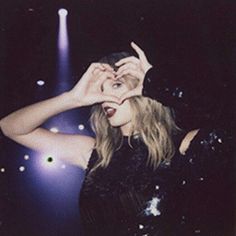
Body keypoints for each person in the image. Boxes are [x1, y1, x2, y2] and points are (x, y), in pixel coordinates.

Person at [0, 42, 234, 235]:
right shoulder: (94, 153)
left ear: (142, 91)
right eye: (101, 89)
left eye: (116, 84)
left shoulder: (181, 146)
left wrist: (158, 84)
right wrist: (72, 98)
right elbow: (11, 127)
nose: (105, 96)